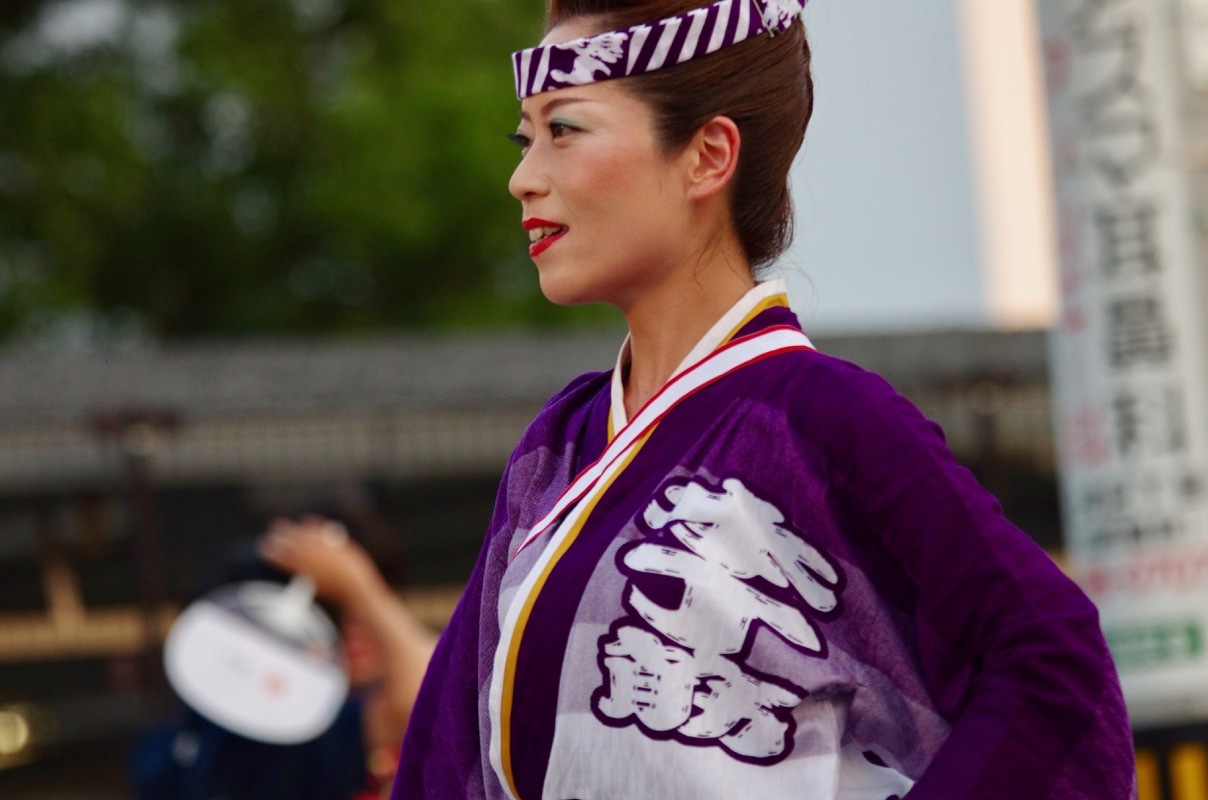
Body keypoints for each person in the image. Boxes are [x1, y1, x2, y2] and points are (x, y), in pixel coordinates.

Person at [391, 1, 1138, 798]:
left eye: (565, 130)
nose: (523, 176)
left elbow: (1053, 668)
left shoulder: (821, 422)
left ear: (708, 155)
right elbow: (447, 758)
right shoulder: (559, 449)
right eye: (525, 137)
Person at [132, 516, 436, 800]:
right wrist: (359, 584)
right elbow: (435, 694)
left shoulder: (162, 748)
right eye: (332, 612)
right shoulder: (301, 736)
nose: (356, 631)